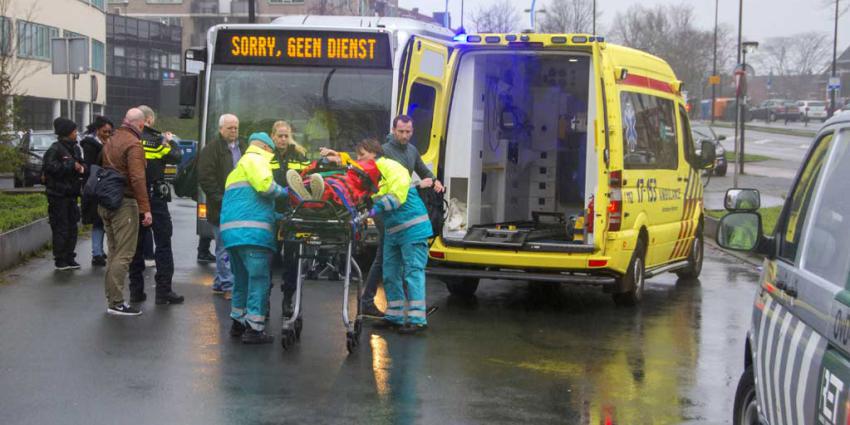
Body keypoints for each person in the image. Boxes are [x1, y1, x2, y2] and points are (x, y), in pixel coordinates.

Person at [361, 115, 444, 318]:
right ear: (393, 130)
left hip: (400, 206)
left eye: (408, 132)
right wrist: (417, 185)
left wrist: (434, 181)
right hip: (387, 208)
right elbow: (395, 183)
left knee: (392, 258)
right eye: (401, 132)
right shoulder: (385, 152)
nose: (405, 135)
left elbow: (423, 170)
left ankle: (407, 304)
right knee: (386, 256)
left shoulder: (411, 150)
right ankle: (368, 300)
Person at [220, 132, 288, 344]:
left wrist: (276, 216)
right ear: (266, 148)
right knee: (259, 280)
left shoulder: (238, 168)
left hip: (232, 235)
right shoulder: (257, 160)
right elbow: (265, 186)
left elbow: (248, 203)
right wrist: (287, 192)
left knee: (240, 280)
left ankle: (238, 323)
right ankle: (255, 329)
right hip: (253, 235)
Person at [370, 155, 433, 334]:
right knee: (390, 272)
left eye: (362, 155)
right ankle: (394, 316)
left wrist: (373, 208)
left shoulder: (393, 174)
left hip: (413, 231)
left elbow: (393, 200)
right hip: (394, 232)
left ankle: (417, 320)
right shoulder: (381, 176)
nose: (359, 159)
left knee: (413, 272)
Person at [127, 105, 184, 305]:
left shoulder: (129, 138)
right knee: (163, 245)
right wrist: (171, 141)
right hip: (156, 198)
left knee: (136, 245)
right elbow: (176, 157)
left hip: (134, 198)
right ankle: (163, 292)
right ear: (149, 120)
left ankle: (136, 291)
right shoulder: (157, 140)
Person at [99, 108, 152, 316]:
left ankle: (111, 298)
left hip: (106, 201)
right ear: (140, 125)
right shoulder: (134, 144)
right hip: (124, 203)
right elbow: (138, 179)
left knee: (113, 252)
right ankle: (117, 302)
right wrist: (146, 209)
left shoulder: (111, 140)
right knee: (124, 254)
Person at [198, 114, 244, 299]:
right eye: (229, 128)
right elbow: (205, 178)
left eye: (235, 128)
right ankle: (228, 286)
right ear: (220, 129)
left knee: (230, 246)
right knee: (224, 247)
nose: (233, 131)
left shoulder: (243, 148)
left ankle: (219, 282)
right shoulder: (211, 149)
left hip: (239, 206)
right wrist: (220, 198)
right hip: (221, 207)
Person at [269, 120, 310, 317]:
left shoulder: (299, 155)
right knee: (269, 258)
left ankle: (288, 299)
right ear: (273, 136)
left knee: (291, 259)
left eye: (286, 135)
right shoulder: (267, 156)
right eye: (280, 136)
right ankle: (264, 301)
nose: (283, 139)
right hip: (271, 213)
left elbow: (308, 180)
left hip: (294, 214)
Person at [42, 117, 85, 270]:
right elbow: (51, 168)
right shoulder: (55, 149)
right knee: (61, 227)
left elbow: (81, 164)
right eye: (74, 131)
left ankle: (69, 256)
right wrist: (71, 165)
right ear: (67, 132)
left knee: (73, 226)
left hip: (72, 195)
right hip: (58, 196)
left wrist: (81, 167)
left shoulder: (75, 148)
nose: (76, 133)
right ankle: (60, 259)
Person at [80, 116, 114, 267]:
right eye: (105, 131)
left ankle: (99, 251)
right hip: (95, 188)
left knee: (102, 221)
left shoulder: (101, 143)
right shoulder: (90, 146)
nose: (107, 134)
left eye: (110, 132)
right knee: (98, 222)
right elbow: (92, 167)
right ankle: (97, 253)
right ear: (97, 130)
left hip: (104, 186)